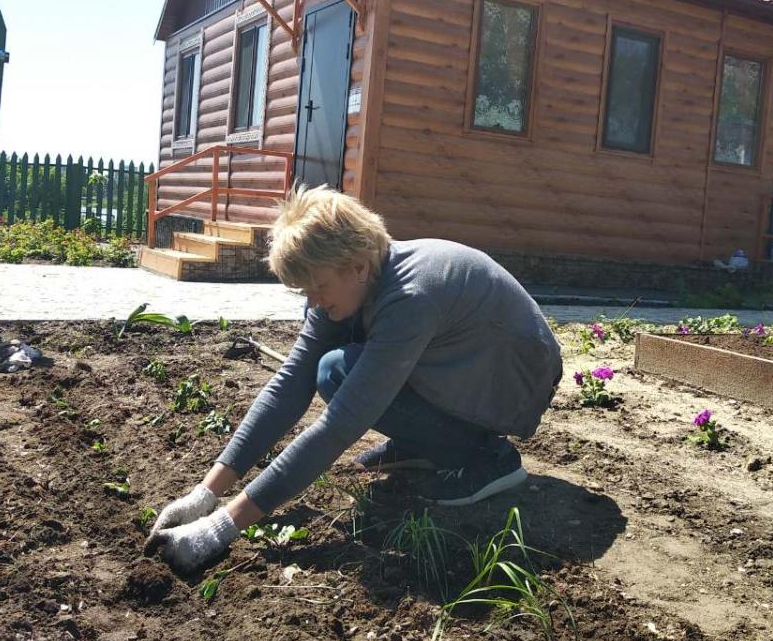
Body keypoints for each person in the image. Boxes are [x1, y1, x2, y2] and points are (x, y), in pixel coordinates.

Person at [146, 187, 564, 571]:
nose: (311, 301)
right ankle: (428, 439)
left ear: (358, 267)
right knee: (330, 369)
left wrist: (223, 526)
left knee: (343, 376)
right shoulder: (356, 281)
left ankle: (486, 456)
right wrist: (206, 493)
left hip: (515, 382)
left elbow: (341, 426)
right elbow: (291, 382)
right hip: (463, 366)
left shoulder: (410, 297)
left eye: (318, 287)